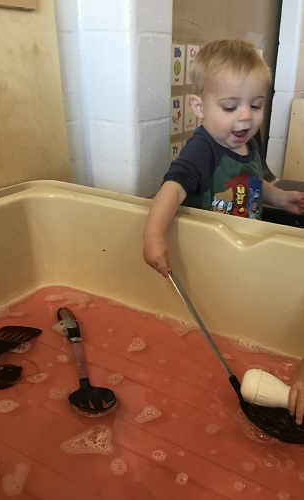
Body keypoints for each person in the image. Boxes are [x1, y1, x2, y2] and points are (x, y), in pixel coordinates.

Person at [143, 38, 304, 425]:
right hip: (211, 256)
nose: (245, 118)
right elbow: (171, 190)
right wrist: (153, 235)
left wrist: (280, 198)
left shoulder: (246, 143)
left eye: (256, 104)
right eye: (230, 107)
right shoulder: (203, 150)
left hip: (244, 243)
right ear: (199, 107)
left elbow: (253, 181)